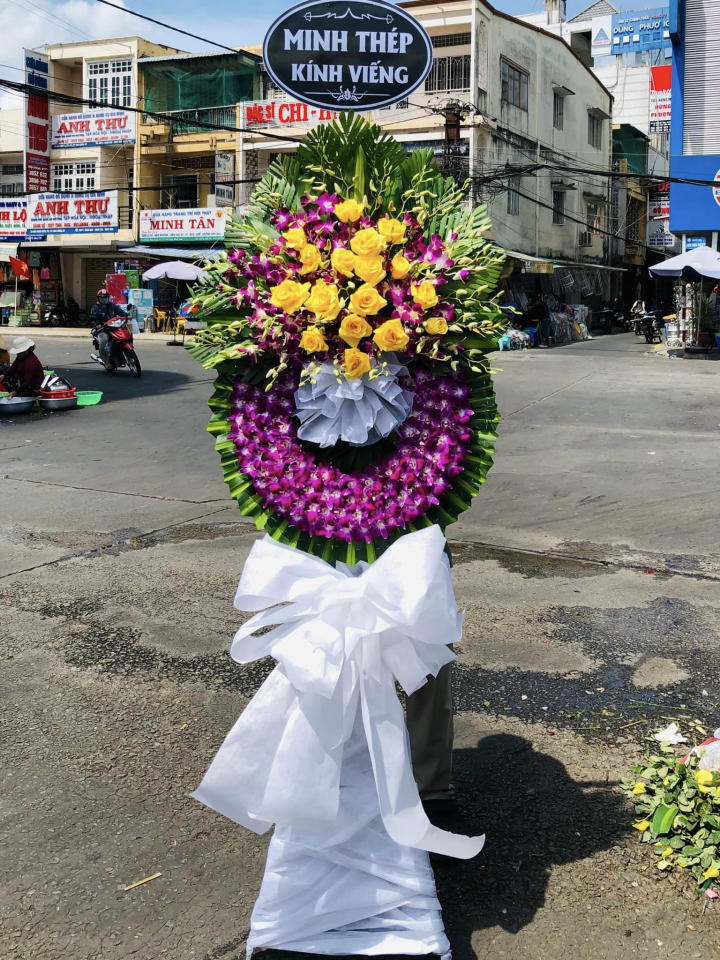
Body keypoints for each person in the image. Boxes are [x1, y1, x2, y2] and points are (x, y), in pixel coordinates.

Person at [90, 288, 126, 368]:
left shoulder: (112, 305)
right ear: (98, 298)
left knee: (124, 335)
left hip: (113, 327)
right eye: (102, 298)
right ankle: (106, 361)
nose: (104, 299)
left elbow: (121, 312)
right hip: (101, 330)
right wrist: (97, 325)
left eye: (105, 297)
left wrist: (127, 316)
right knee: (104, 340)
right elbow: (92, 319)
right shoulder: (95, 308)